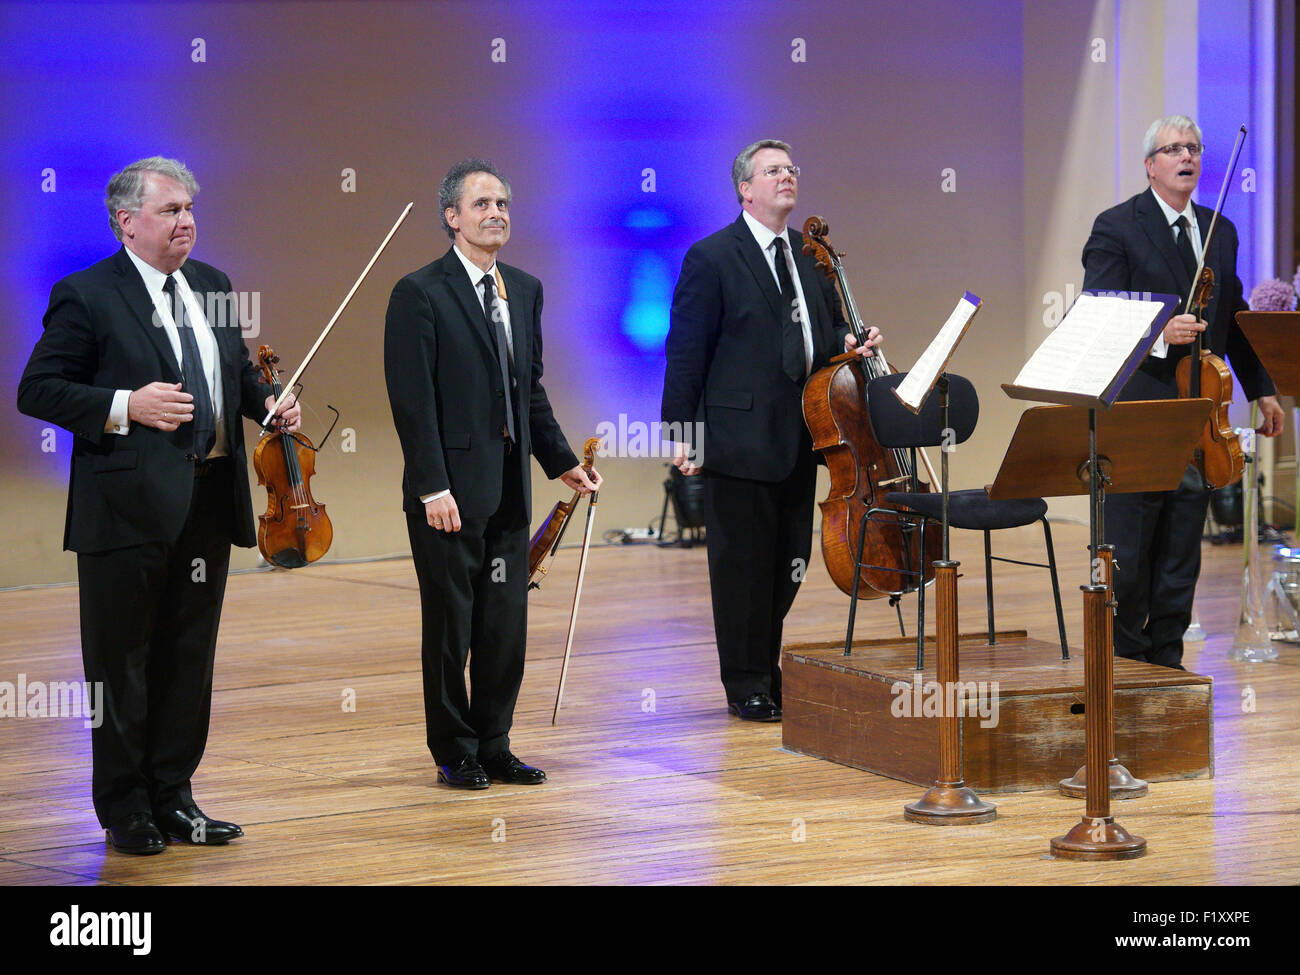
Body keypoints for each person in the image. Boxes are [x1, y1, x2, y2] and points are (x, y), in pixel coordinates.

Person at [16, 157, 300, 854]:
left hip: (206, 499)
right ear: (127, 222)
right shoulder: (86, 294)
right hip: (126, 508)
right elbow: (38, 388)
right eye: (170, 210)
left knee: (188, 655)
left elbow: (233, 375)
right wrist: (124, 405)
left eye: (190, 209)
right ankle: (125, 806)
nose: (186, 222)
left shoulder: (211, 285)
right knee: (122, 661)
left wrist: (268, 404)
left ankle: (175, 796)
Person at [385, 159, 600, 789]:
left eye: (502, 203)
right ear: (452, 217)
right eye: (481, 204)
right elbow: (412, 401)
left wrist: (561, 464)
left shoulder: (525, 290)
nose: (496, 213)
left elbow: (527, 389)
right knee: (451, 626)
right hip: (448, 493)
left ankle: (495, 741)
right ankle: (456, 749)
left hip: (510, 489)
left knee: (504, 624)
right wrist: (432, 486)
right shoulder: (419, 292)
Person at [661, 139, 880, 721]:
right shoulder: (712, 258)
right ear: (745, 188)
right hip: (734, 441)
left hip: (802, 436)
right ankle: (748, 682)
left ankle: (762, 665)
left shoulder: (810, 258)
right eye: (773, 170)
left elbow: (824, 336)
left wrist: (851, 344)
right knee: (740, 569)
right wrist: (683, 433)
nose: (787, 176)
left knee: (791, 558)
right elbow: (685, 351)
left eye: (791, 169)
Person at [1082, 114, 1284, 669]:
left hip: (1198, 417)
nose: (1186, 156)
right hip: (1138, 412)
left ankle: (1168, 665)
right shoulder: (1116, 226)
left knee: (1179, 550)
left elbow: (1234, 317)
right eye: (1173, 149)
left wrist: (1262, 389)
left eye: (1193, 147)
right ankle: (1125, 665)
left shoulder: (1220, 230)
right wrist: (1157, 333)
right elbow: (1097, 311)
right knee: (1131, 545)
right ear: (1151, 165)